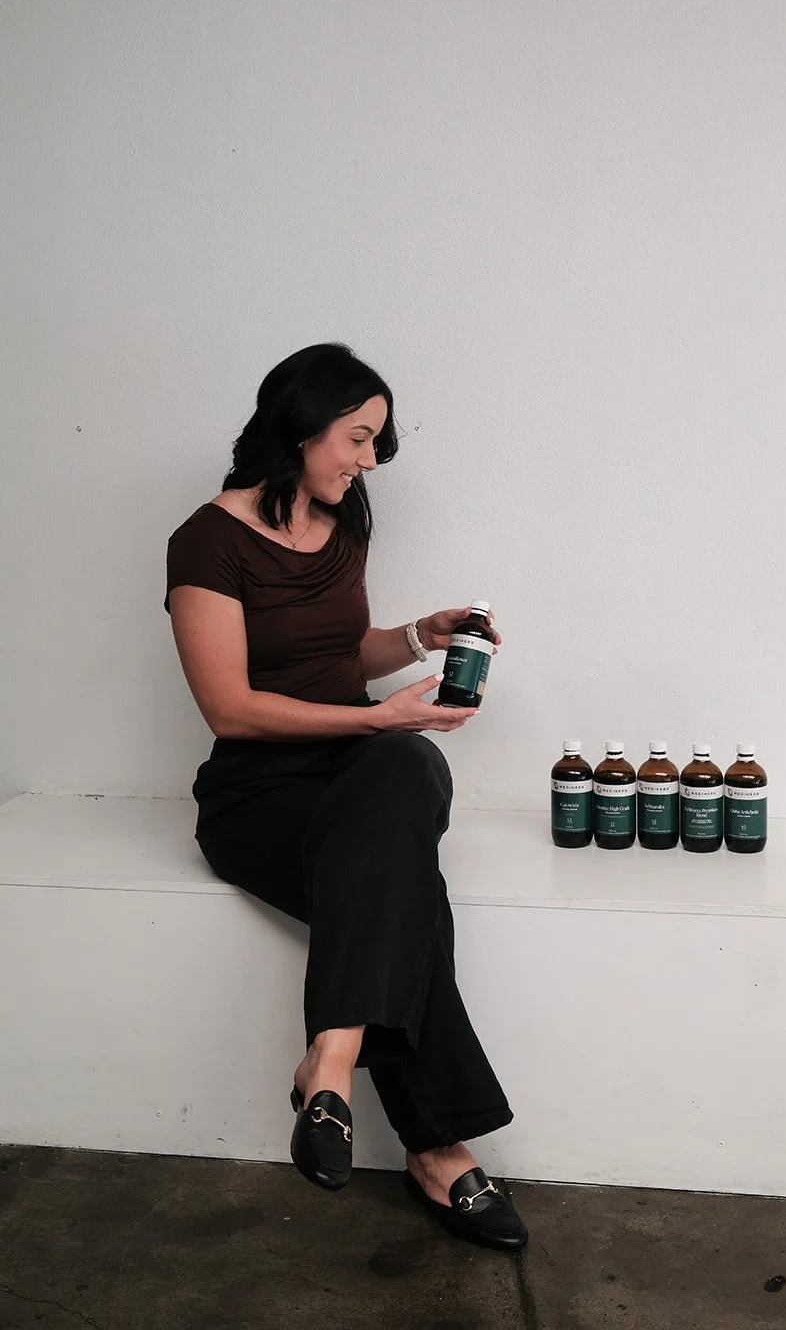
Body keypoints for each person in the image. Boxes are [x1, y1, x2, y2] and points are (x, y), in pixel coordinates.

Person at [164, 342, 527, 1251]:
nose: (370, 461)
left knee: (406, 769)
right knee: (406, 890)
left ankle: (329, 1057)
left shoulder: (346, 520)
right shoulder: (205, 542)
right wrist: (373, 722)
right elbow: (232, 707)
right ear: (300, 425)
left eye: (375, 442)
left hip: (355, 775)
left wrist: (416, 635)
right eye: (358, 439)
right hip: (258, 794)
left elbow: (339, 655)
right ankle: (439, 1148)